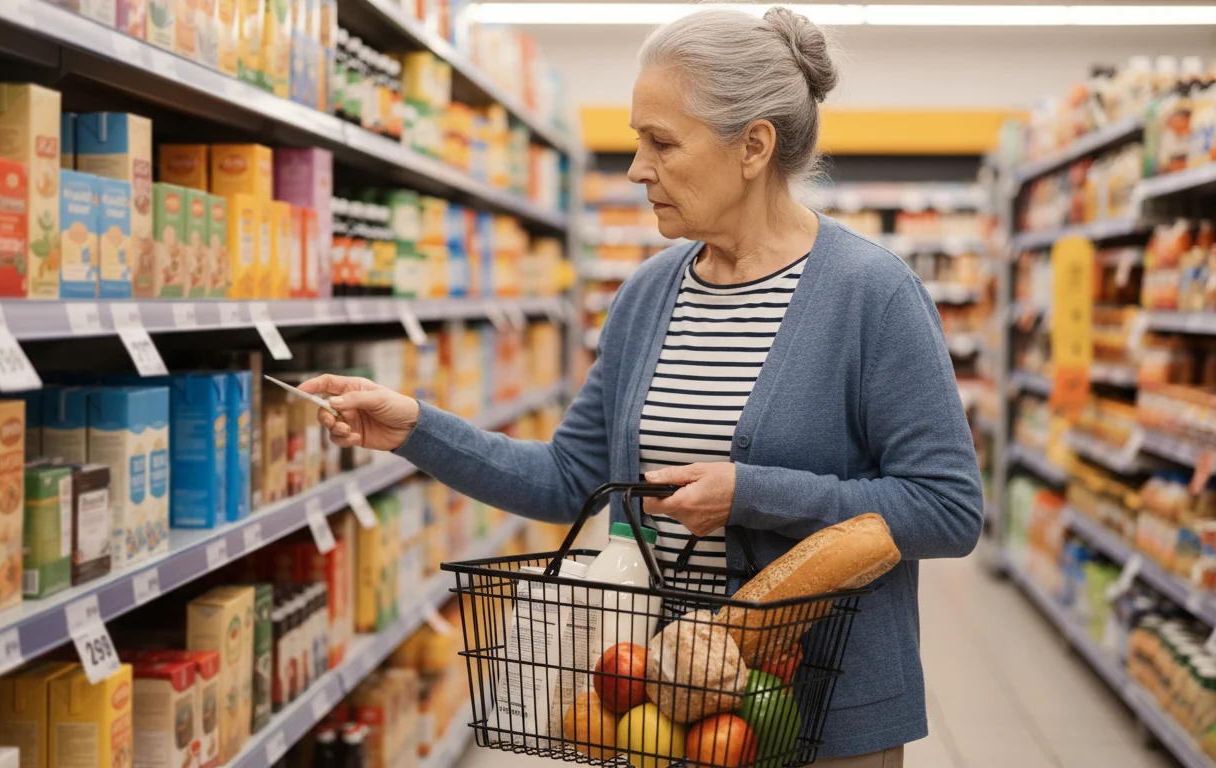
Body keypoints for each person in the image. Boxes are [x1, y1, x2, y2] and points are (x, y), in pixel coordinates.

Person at [300, 6, 982, 765]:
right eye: (637, 139)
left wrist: (752, 492)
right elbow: (573, 480)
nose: (635, 168)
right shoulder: (650, 294)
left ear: (753, 146)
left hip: (815, 716)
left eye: (661, 142)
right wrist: (418, 430)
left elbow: (947, 510)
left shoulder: (871, 293)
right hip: (663, 707)